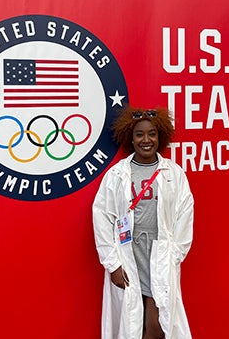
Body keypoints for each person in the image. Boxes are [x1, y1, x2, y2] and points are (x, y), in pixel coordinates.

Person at [92, 106, 194, 339]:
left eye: (152, 134)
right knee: (132, 323)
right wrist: (113, 264)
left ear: (160, 137)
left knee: (157, 325)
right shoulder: (117, 174)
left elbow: (185, 215)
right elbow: (102, 216)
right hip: (130, 254)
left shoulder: (174, 173)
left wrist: (174, 255)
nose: (146, 140)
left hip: (159, 254)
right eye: (140, 134)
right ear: (131, 137)